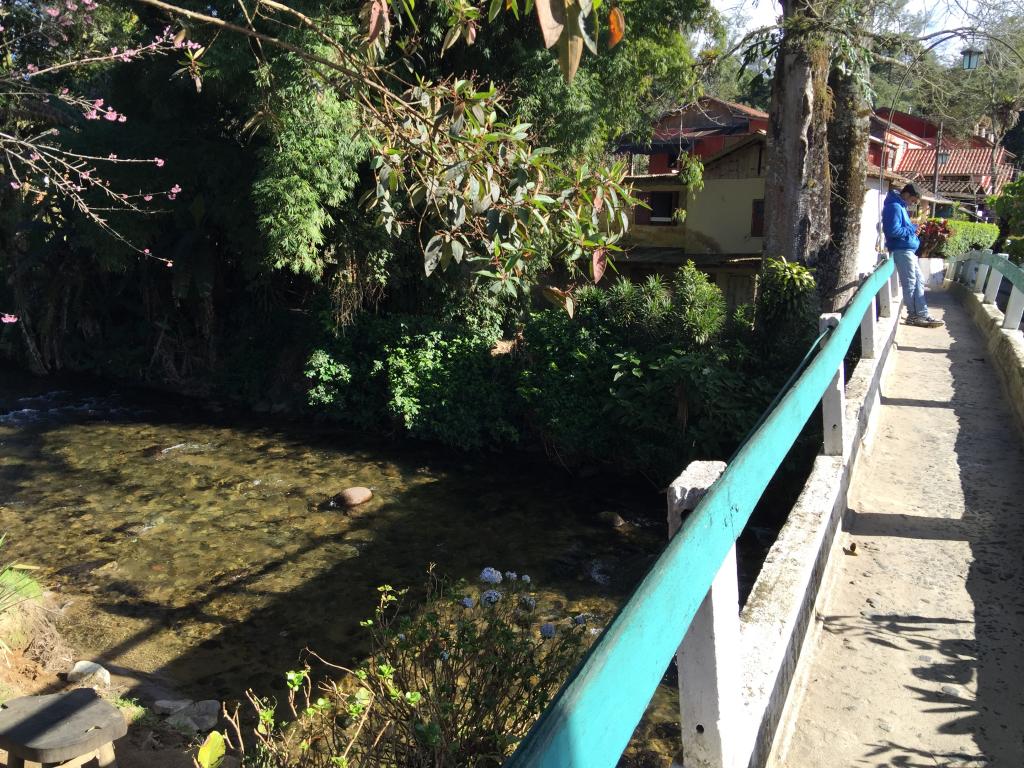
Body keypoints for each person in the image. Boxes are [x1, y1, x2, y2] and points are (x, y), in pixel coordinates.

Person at [882, 183, 943, 328]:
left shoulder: (899, 206)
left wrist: (911, 230)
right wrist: (912, 228)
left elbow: (900, 229)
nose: (913, 204)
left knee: (918, 281)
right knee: (911, 283)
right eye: (913, 201)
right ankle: (914, 315)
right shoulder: (895, 207)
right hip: (902, 250)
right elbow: (892, 231)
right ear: (907, 195)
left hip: (907, 250)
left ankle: (922, 314)